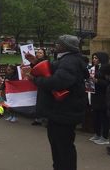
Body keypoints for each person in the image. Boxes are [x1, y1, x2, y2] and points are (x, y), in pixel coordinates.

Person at [27, 35, 89, 170]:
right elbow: (50, 70)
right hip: (61, 112)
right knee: (59, 146)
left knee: (62, 148)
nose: (56, 45)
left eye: (59, 43)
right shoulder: (67, 59)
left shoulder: (69, 61)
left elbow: (58, 82)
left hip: (63, 112)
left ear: (66, 46)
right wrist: (35, 62)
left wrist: (35, 81)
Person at [89, 52, 110, 145]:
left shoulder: (106, 69)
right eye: (93, 58)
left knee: (104, 116)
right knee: (96, 116)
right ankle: (97, 133)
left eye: (96, 58)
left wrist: (97, 80)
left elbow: (108, 83)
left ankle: (104, 136)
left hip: (103, 96)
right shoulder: (92, 68)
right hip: (94, 94)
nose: (94, 60)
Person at [30, 48, 49, 126]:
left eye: (40, 53)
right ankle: (39, 118)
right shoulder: (35, 62)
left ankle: (47, 119)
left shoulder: (46, 62)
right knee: (39, 101)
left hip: (46, 82)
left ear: (44, 54)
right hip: (38, 82)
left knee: (45, 101)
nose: (38, 54)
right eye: (37, 52)